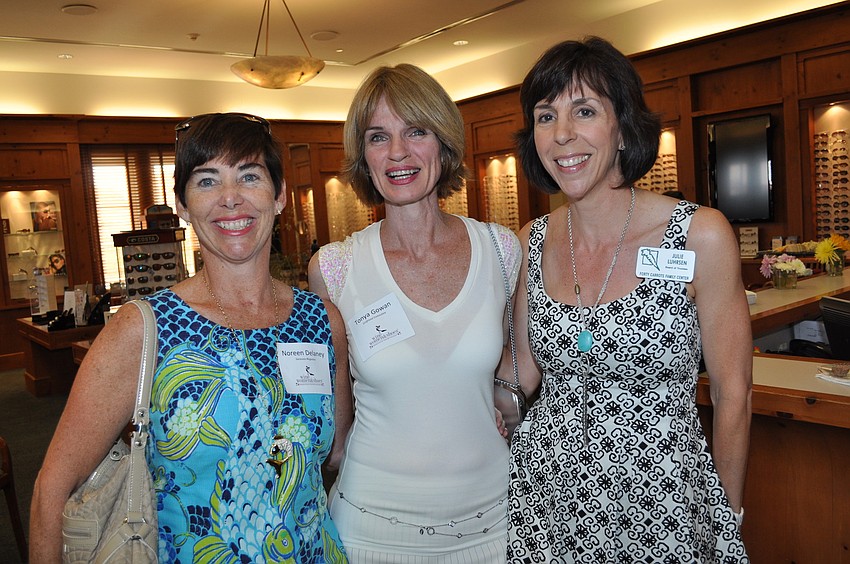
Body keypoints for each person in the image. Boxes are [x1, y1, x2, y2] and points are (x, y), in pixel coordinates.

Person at [30, 113, 351, 563]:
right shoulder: (146, 328)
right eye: (206, 181)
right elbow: (53, 485)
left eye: (249, 176)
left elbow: (334, 454)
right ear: (182, 204)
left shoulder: (321, 320)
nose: (230, 199)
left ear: (279, 195)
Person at [507, 37, 752, 562]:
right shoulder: (531, 240)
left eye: (585, 111)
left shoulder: (698, 235)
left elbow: (734, 394)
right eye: (546, 117)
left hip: (665, 510)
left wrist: (726, 517)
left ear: (623, 127)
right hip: (546, 507)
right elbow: (519, 376)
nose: (563, 135)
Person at [308, 64, 520, 562]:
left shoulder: (502, 250)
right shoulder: (335, 268)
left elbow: (520, 357)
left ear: (444, 145)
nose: (398, 152)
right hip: (373, 532)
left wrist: (503, 396)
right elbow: (332, 409)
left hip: (496, 526)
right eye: (379, 137)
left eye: (416, 131)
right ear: (364, 156)